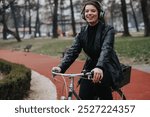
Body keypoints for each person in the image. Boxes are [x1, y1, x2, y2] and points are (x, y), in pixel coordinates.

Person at [52, 0, 123, 100]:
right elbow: (73, 51)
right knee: (84, 95)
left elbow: (106, 49)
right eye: (87, 11)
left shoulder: (108, 30)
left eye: (93, 11)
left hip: (107, 65)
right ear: (83, 15)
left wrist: (99, 67)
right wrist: (61, 67)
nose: (89, 13)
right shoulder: (82, 31)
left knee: (101, 88)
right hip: (90, 66)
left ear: (100, 13)